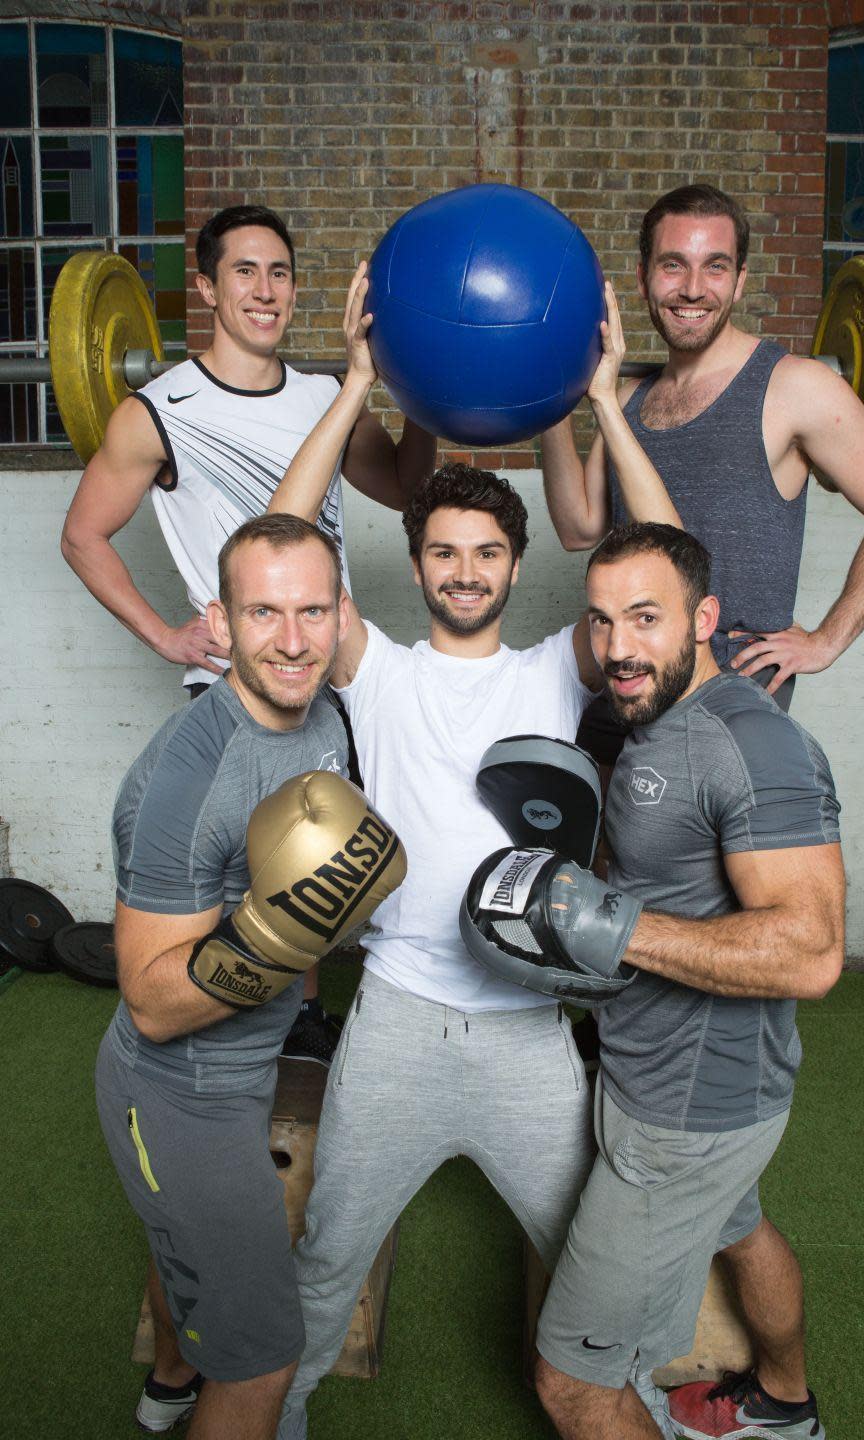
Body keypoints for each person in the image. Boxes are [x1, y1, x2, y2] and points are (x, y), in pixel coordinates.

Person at [263, 266, 676, 1440]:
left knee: (591, 1264)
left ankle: (635, 1407)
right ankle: (276, 1413)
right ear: (419, 560)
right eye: (441, 552)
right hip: (393, 1022)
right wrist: (352, 385)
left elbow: (661, 558)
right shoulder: (375, 669)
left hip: (524, 1037)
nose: (461, 571)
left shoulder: (557, 667)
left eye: (483, 554)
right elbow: (282, 547)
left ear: (513, 561)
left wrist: (600, 398)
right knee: (329, 1254)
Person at [61, 203, 434, 1062]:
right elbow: (82, 534)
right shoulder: (158, 411)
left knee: (317, 852)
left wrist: (423, 388)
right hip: (243, 681)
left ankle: (300, 1017)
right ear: (205, 285)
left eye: (280, 273)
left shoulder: (320, 396)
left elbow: (408, 483)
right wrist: (164, 635)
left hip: (332, 665)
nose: (265, 292)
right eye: (244, 272)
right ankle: (227, 1036)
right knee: (245, 867)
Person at [513, 522, 846, 1440]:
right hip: (677, 1078)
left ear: (704, 618)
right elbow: (669, 889)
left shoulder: (752, 743)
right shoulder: (657, 723)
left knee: (570, 1383)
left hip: (687, 1113)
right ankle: (785, 1404)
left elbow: (811, 949)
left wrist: (611, 928)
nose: (619, 648)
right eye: (602, 621)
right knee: (740, 1227)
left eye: (647, 618)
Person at [94, 513, 403, 1440]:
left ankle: (170, 1386)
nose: (294, 640)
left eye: (313, 610)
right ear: (221, 624)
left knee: (191, 1258)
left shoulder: (326, 718)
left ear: (342, 613)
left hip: (243, 1076)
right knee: (267, 1358)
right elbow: (150, 1002)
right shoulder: (188, 779)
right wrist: (288, 931)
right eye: (263, 614)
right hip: (178, 1096)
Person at [541, 183, 864, 715]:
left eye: (715, 267)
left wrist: (827, 639)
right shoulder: (627, 397)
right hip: (632, 685)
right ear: (643, 277)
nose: (693, 289)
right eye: (673, 265)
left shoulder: (796, 387)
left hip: (730, 703)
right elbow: (577, 527)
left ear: (740, 280)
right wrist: (549, 394)